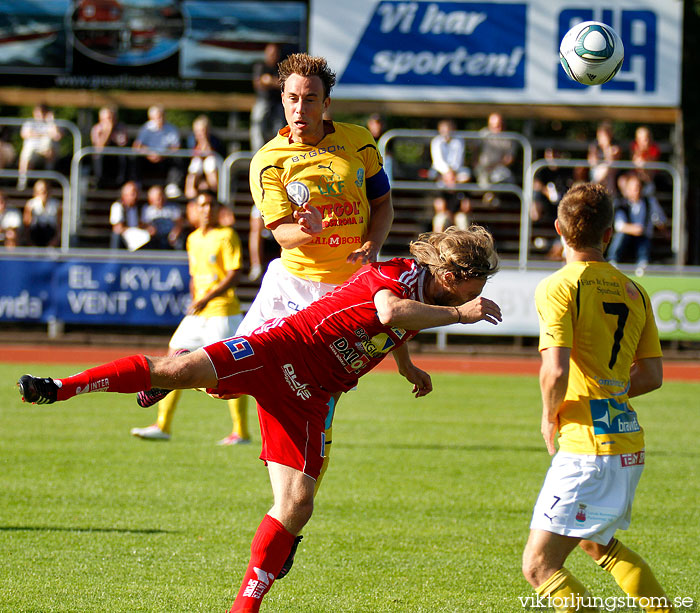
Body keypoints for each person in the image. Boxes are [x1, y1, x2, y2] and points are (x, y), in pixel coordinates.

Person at [18, 225, 502, 613]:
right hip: (283, 349)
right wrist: (462, 314)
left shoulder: (430, 294)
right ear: (454, 275)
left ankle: (244, 608)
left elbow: (397, 327)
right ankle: (61, 388)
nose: (478, 295)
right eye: (476, 286)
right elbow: (390, 311)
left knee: (296, 505)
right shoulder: (397, 275)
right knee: (181, 368)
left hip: (313, 393)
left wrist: (407, 365)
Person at [236, 53, 394, 492]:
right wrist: (303, 230)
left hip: (348, 290)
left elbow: (382, 204)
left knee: (325, 392)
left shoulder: (359, 141)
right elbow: (282, 235)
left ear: (326, 102)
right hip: (292, 284)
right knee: (232, 368)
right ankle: (165, 378)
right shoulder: (269, 160)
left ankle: (294, 478)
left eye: (310, 99)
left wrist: (373, 245)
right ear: (282, 99)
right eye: (292, 99)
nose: (300, 109)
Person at [522, 182, 672, 613]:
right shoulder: (634, 291)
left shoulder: (559, 286)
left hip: (586, 448)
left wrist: (549, 418)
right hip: (625, 440)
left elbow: (555, 369)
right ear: (608, 234)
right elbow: (653, 375)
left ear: (558, 229)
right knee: (595, 541)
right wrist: (609, 390)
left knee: (538, 566)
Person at [130, 190, 249, 444]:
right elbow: (195, 275)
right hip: (199, 312)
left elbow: (234, 273)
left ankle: (241, 432)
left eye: (210, 205)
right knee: (173, 357)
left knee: (230, 372)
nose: (206, 210)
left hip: (222, 311)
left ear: (218, 210)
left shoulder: (226, 235)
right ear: (194, 210)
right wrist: (196, 297)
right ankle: (163, 425)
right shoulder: (193, 238)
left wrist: (207, 297)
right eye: (201, 205)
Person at [607, 172, 668, 276]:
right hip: (626, 237)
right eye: (634, 188)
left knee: (644, 240)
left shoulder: (650, 202)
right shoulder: (621, 204)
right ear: (627, 190)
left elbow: (659, 219)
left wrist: (665, 232)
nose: (637, 190)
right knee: (620, 236)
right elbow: (619, 226)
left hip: (643, 238)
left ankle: (643, 263)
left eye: (639, 187)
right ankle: (613, 260)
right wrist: (634, 229)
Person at [132, 105, 183, 198]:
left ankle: (173, 185)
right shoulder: (146, 128)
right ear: (151, 117)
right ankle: (136, 183)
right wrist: (149, 154)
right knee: (134, 157)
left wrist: (163, 155)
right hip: (148, 160)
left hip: (165, 158)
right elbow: (137, 146)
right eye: (158, 116)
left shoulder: (172, 129)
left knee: (178, 158)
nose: (161, 119)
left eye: (162, 116)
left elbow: (176, 147)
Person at [430, 119, 471, 229]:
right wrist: (446, 172)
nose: (446, 133)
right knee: (441, 220)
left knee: (466, 175)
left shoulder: (459, 141)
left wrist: (452, 173)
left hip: (455, 171)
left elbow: (458, 159)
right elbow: (437, 160)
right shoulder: (436, 141)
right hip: (440, 171)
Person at [249, 42, 286, 153]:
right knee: (257, 123)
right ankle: (257, 152)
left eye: (275, 53)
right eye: (270, 53)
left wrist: (270, 81)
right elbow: (258, 83)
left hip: (279, 102)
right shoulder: (260, 66)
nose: (272, 56)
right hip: (263, 101)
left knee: (280, 127)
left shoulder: (282, 67)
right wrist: (272, 82)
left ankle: (277, 152)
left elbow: (284, 84)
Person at [17, 104, 62, 190]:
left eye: (43, 112)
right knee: (27, 153)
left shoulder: (51, 124)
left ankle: (48, 179)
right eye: (39, 112)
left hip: (47, 152)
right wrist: (45, 134)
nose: (40, 114)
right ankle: (23, 182)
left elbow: (57, 136)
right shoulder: (29, 122)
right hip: (32, 151)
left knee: (49, 146)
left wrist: (51, 121)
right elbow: (24, 134)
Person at [184, 115, 223, 199]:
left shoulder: (215, 140)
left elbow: (210, 152)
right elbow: (194, 156)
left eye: (203, 130)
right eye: (198, 131)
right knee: (197, 163)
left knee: (210, 162)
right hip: (199, 166)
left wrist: (204, 140)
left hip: (215, 164)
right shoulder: (191, 140)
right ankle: (190, 190)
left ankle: (213, 187)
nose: (200, 133)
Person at [90, 105, 129, 188]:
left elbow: (123, 144)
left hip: (116, 156)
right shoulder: (97, 129)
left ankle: (121, 182)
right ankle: (99, 181)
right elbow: (99, 148)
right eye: (108, 118)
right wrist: (107, 131)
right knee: (98, 157)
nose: (111, 120)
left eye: (112, 117)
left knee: (124, 157)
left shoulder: (121, 127)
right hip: (102, 157)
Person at [474, 112, 516, 189]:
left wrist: (494, 166)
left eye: (499, 125)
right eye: (494, 126)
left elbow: (509, 158)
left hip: (499, 168)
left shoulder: (509, 138)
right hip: (483, 167)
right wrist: (476, 163)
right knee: (483, 180)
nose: (497, 128)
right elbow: (475, 150)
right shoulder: (483, 134)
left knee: (505, 178)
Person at [141, 185, 183, 250]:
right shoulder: (147, 209)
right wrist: (149, 229)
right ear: (151, 199)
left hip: (170, 236)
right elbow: (144, 224)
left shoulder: (173, 207)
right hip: (155, 237)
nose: (160, 200)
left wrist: (175, 233)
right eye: (157, 199)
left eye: (162, 197)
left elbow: (179, 223)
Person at [587, 121, 622, 195]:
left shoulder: (615, 147)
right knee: (606, 174)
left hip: (610, 173)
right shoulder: (594, 146)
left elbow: (611, 162)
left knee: (608, 173)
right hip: (597, 171)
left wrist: (606, 147)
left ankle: (595, 187)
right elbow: (592, 162)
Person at [23, 179, 61, 247]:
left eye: (46, 190)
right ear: (36, 192)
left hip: (50, 234)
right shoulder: (30, 205)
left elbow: (59, 226)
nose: (44, 193)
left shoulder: (56, 205)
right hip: (35, 234)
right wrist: (30, 242)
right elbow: (27, 226)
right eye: (41, 190)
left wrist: (55, 240)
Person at [109, 181, 145, 250]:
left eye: (137, 193)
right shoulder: (118, 206)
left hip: (138, 239)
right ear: (124, 195)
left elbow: (143, 224)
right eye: (132, 194)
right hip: (125, 237)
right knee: (116, 236)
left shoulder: (139, 208)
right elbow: (118, 228)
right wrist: (134, 231)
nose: (135, 196)